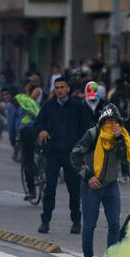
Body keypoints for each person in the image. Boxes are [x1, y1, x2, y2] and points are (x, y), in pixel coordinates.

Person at [70, 104, 130, 257]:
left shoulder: (121, 137)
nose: (112, 124)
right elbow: (75, 155)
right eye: (108, 120)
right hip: (92, 186)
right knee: (89, 225)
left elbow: (126, 159)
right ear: (102, 121)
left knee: (114, 224)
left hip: (111, 185)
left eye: (115, 121)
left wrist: (120, 140)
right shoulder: (92, 134)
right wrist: (88, 176)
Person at [35, 76, 91, 234]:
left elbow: (87, 127)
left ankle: (76, 221)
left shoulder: (77, 106)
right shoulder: (48, 105)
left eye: (62, 87)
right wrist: (42, 130)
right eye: (56, 87)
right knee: (50, 188)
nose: (59, 90)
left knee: (74, 189)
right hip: (52, 152)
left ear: (68, 89)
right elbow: (39, 122)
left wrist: (82, 148)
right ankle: (45, 221)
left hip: (71, 154)